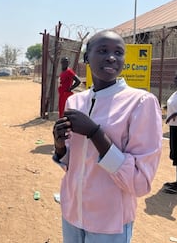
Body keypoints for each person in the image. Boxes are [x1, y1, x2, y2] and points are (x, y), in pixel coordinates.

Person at [52, 30, 162, 242]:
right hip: (73, 214)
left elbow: (140, 183)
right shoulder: (76, 102)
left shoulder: (140, 103)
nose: (111, 57)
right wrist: (59, 146)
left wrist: (95, 133)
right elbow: (74, 165)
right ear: (86, 58)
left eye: (118, 52)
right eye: (103, 50)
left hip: (110, 223)